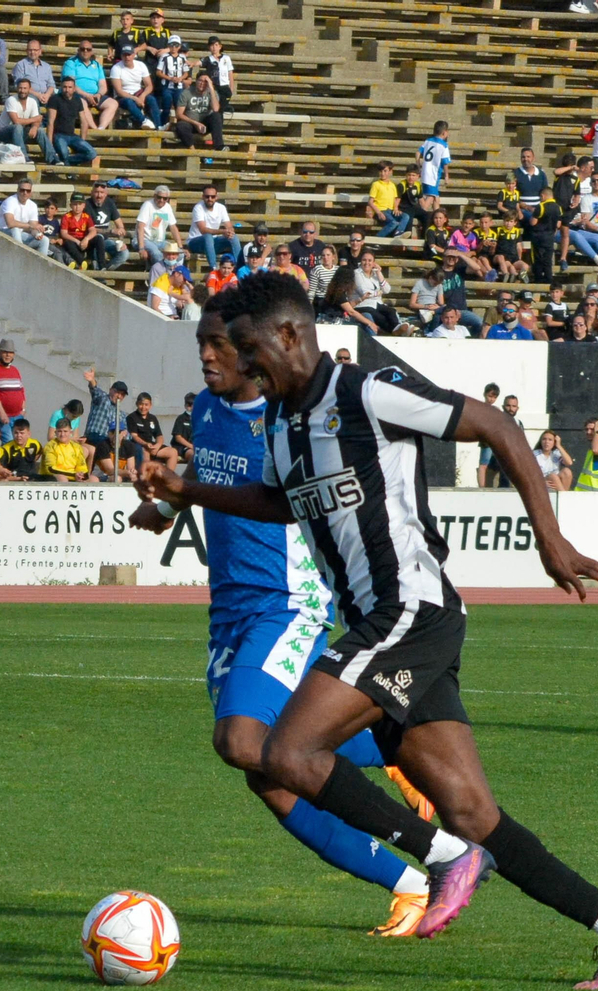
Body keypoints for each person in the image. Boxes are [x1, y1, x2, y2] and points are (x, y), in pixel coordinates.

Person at [138, 272, 598, 988]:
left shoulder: (365, 391)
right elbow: (284, 503)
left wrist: (551, 539)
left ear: (290, 335)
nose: (245, 363)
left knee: (284, 752)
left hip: (410, 612)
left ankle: (440, 859)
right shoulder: (285, 424)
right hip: (382, 626)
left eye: (251, 349)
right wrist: (185, 492)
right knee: (475, 813)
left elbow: (498, 426)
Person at [128, 306, 434, 937]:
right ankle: (408, 878)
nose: (207, 356)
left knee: (243, 742)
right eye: (200, 345)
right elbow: (211, 486)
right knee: (264, 775)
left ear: (250, 350)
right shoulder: (206, 412)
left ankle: (388, 755)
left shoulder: (284, 418)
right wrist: (165, 502)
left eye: (218, 345)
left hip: (285, 603)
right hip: (229, 614)